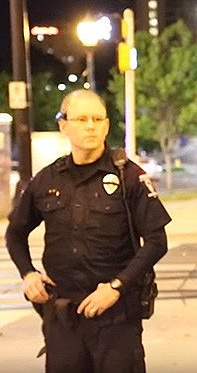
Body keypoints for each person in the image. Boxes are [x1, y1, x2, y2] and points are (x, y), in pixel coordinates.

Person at [4, 89, 170, 372]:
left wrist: (117, 286)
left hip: (116, 318)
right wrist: (28, 274)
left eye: (97, 119)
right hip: (63, 319)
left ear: (106, 125)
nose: (91, 125)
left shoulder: (128, 176)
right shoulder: (46, 179)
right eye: (81, 119)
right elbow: (15, 232)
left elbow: (156, 241)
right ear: (63, 125)